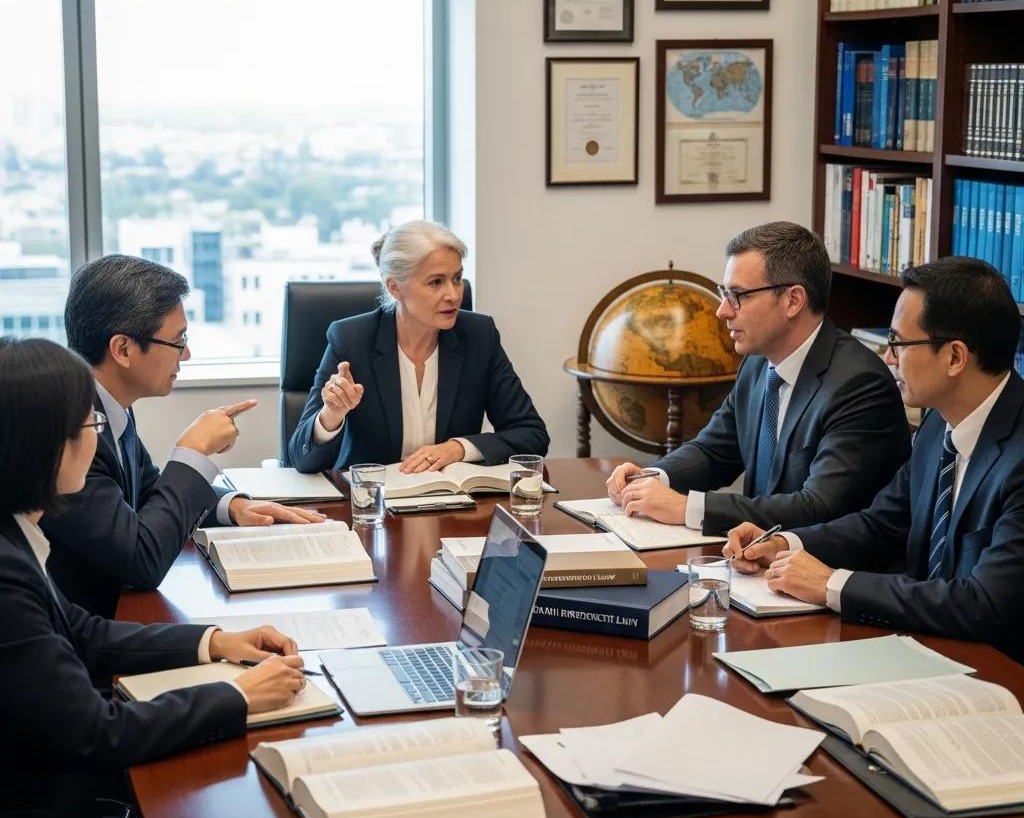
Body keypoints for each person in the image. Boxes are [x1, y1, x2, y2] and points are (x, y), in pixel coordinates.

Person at [0, 337, 308, 818]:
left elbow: (82, 631)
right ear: (44, 444)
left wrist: (211, 641)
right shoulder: (4, 574)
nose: (95, 436)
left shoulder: (15, 534)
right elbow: (97, 732)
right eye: (87, 421)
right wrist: (235, 696)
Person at [726, 258, 1024, 663]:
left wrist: (834, 584)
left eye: (898, 343)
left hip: (998, 677)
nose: (888, 358)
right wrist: (782, 544)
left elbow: (983, 603)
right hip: (921, 651)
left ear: (955, 357)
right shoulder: (939, 424)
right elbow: (881, 523)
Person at [42, 255, 324, 618]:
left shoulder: (110, 404)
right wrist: (193, 452)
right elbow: (142, 561)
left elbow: (145, 494)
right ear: (123, 349)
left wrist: (231, 507)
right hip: (82, 637)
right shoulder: (73, 431)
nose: (187, 354)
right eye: (178, 341)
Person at [606, 222, 910, 535]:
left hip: (825, 569)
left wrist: (687, 508)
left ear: (793, 300)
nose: (722, 311)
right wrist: (651, 478)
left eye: (738, 295)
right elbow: (714, 451)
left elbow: (818, 506)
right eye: (725, 293)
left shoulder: (859, 385)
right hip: (757, 561)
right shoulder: (757, 363)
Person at [288, 219, 549, 473]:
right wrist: (331, 415)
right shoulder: (351, 339)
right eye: (436, 282)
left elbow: (532, 434)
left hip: (453, 506)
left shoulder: (479, 337)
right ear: (394, 287)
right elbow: (301, 459)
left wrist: (457, 448)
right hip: (371, 504)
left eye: (457, 278)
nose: (453, 294)